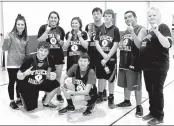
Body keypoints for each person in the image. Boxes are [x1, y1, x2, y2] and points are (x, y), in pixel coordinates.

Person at [140, 7, 172, 125]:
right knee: (150, 90)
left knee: (157, 91)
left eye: (154, 15)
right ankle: (152, 112)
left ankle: (159, 116)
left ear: (159, 16)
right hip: (148, 66)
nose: (151, 17)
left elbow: (167, 44)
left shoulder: (162, 27)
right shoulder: (149, 31)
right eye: (149, 15)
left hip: (159, 66)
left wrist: (157, 31)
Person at [116, 11, 147, 117]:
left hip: (135, 62)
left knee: (136, 85)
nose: (127, 19)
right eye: (125, 18)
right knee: (126, 83)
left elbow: (139, 45)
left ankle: (139, 106)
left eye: (130, 17)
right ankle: (127, 100)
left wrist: (132, 32)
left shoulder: (141, 29)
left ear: (135, 17)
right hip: (124, 61)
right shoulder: (124, 32)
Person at [17, 41, 60, 112]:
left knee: (56, 84)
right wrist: (24, 74)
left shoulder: (50, 59)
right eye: (41, 50)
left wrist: (52, 76)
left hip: (41, 82)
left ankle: (46, 103)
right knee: (30, 109)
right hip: (28, 85)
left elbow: (49, 73)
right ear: (37, 50)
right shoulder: (29, 59)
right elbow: (18, 76)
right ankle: (22, 96)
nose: (43, 53)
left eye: (45, 51)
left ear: (48, 52)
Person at [2, 14, 29, 110]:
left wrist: (27, 63)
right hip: (12, 63)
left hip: (21, 64)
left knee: (20, 83)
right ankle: (12, 101)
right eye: (18, 24)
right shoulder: (10, 35)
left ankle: (18, 99)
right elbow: (4, 48)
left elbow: (26, 52)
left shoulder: (26, 37)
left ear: (25, 25)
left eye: (22, 24)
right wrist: (5, 39)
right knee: (12, 82)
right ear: (15, 25)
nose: (20, 26)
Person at [95, 9, 120, 109]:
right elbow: (96, 43)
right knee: (101, 77)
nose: (107, 17)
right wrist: (103, 54)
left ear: (112, 18)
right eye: (105, 16)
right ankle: (100, 95)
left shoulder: (115, 29)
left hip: (111, 58)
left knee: (110, 79)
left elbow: (116, 44)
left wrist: (108, 56)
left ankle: (111, 98)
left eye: (109, 16)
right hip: (101, 57)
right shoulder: (99, 29)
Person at [37, 11, 64, 103]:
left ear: (58, 19)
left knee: (58, 77)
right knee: (47, 77)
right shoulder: (43, 27)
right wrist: (47, 31)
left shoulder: (61, 29)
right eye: (51, 17)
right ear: (48, 19)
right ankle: (46, 95)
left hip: (59, 57)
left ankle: (59, 94)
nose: (53, 19)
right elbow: (39, 40)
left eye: (55, 17)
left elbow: (63, 45)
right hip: (47, 58)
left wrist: (59, 39)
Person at [85, 7, 107, 101]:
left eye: (98, 13)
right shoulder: (89, 26)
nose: (96, 15)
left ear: (101, 15)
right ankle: (93, 91)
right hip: (91, 54)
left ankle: (101, 93)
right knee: (91, 74)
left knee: (102, 74)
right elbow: (86, 40)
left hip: (101, 54)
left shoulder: (105, 26)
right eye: (94, 14)